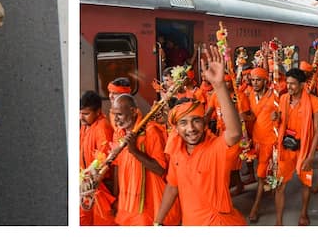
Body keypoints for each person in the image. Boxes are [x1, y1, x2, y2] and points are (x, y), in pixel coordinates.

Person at [153, 45, 247, 226]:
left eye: (196, 120)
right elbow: (173, 187)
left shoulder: (216, 148)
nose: (190, 128)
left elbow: (235, 133)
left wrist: (219, 85)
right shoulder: (177, 152)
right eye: (183, 123)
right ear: (176, 129)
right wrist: (157, 222)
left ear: (204, 123)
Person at [110, 94, 175, 226]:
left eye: (119, 114)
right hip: (127, 204)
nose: (115, 119)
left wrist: (135, 151)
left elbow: (160, 169)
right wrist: (116, 197)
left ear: (133, 111)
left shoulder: (151, 131)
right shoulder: (119, 133)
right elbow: (118, 166)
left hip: (148, 204)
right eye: (114, 114)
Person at [275, 67, 318, 226]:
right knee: (280, 185)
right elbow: (280, 124)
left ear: (302, 84)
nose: (289, 87)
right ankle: (279, 220)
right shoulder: (283, 99)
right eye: (287, 83)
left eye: (293, 84)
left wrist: (310, 157)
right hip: (286, 149)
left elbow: (316, 132)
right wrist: (275, 118)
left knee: (305, 184)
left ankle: (303, 213)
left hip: (304, 150)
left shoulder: (314, 102)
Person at [245, 66, 280, 222]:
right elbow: (251, 116)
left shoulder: (275, 96)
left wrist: (278, 115)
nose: (255, 83)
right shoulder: (250, 95)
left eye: (258, 80)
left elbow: (283, 114)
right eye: (253, 80)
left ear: (266, 81)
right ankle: (270, 185)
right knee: (262, 171)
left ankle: (256, 208)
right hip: (256, 140)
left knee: (261, 175)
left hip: (270, 141)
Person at [79, 90, 116, 226]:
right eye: (80, 113)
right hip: (87, 185)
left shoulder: (102, 127)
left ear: (98, 111)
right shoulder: (86, 125)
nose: (81, 117)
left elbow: (103, 156)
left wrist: (88, 174)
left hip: (99, 185)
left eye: (86, 114)